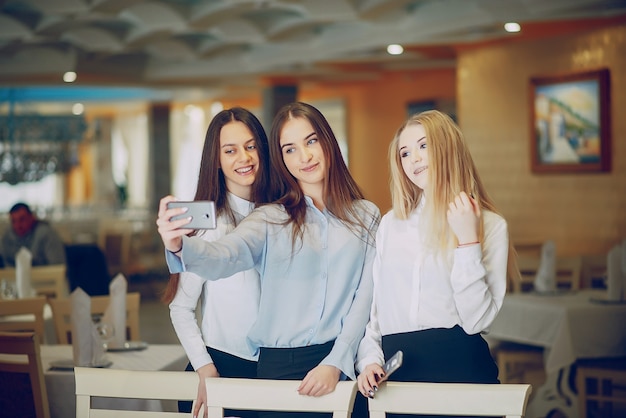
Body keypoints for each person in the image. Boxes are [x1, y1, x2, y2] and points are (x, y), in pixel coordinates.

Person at [157, 101, 380, 418]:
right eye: (289, 149)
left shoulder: (367, 215)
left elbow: (365, 298)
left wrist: (337, 359)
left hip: (339, 361)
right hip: (264, 363)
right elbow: (227, 255)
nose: (303, 156)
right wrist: (180, 246)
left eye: (311, 141)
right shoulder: (271, 218)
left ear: (328, 141)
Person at [355, 110, 519, 417]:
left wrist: (467, 241)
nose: (413, 159)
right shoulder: (390, 224)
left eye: (423, 146)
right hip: (396, 376)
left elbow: (476, 321)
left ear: (448, 148)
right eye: (405, 153)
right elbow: (375, 311)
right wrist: (368, 360)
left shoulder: (491, 225)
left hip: (460, 371)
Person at [162, 107, 278, 418]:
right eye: (231, 150)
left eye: (251, 146)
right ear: (216, 159)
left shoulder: (285, 213)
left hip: (275, 367)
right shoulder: (205, 225)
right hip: (223, 364)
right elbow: (180, 307)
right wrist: (205, 369)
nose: (244, 157)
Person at [0, 202, 66, 267]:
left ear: (32, 218)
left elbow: (58, 267)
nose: (18, 225)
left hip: (46, 277)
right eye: (14, 221)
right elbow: (7, 268)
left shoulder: (46, 234)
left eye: (22, 219)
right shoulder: (6, 238)